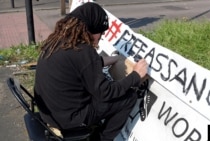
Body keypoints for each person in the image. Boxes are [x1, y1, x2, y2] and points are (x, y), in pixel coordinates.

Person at [34, 2, 148, 141]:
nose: (101, 37)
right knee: (128, 98)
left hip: (49, 113)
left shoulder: (57, 41)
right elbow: (106, 93)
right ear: (93, 30)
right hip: (69, 120)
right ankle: (101, 138)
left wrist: (104, 61)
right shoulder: (83, 51)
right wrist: (135, 76)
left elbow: (77, 67)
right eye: (101, 32)